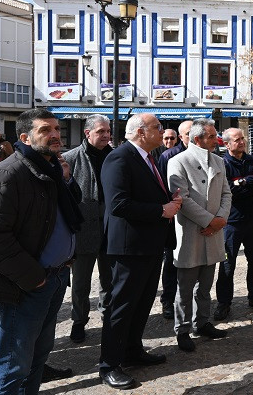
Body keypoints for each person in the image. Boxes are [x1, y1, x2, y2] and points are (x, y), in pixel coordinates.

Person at [0, 108, 82, 394]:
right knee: (14, 365)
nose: (54, 135)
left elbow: (68, 212)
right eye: (45, 130)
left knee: (37, 359)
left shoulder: (49, 169)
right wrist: (34, 277)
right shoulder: (8, 174)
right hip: (27, 285)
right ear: (24, 137)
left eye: (56, 129)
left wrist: (66, 179)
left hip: (55, 278)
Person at [98, 114, 182, 390]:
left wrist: (169, 201)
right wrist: (162, 209)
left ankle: (132, 350)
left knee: (142, 302)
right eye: (157, 128)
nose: (162, 132)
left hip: (150, 244)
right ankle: (109, 365)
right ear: (140, 132)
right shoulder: (119, 158)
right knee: (121, 307)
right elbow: (118, 204)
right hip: (128, 247)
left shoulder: (148, 158)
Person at [167, 118, 231, 351]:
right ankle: (182, 329)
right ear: (198, 139)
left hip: (213, 232)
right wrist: (209, 220)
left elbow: (226, 193)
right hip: (191, 233)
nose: (217, 140)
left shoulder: (218, 161)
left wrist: (220, 220)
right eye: (212, 136)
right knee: (184, 288)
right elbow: (182, 198)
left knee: (205, 286)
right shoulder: (178, 161)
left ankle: (202, 322)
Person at [62, 114, 113, 344]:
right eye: (101, 131)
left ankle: (109, 317)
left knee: (109, 279)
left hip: (110, 229)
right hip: (83, 231)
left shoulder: (114, 156)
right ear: (87, 133)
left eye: (108, 131)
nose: (105, 135)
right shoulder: (70, 158)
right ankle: (78, 321)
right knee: (81, 283)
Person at [213, 128, 253, 321]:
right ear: (227, 144)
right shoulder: (222, 164)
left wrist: (241, 183)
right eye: (237, 140)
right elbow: (225, 191)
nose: (242, 142)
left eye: (242, 138)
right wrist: (244, 185)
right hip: (231, 223)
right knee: (227, 265)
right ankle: (224, 303)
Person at [157, 119, 193, 320]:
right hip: (175, 216)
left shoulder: (204, 154)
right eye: (189, 133)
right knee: (171, 261)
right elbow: (162, 185)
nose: (193, 136)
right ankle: (168, 301)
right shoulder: (168, 156)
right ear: (181, 136)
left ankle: (190, 301)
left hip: (195, 217)